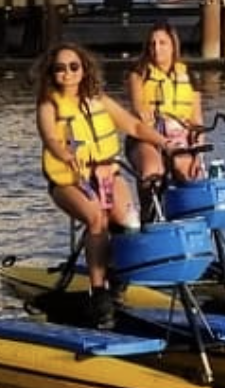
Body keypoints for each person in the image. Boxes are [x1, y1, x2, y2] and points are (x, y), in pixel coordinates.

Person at [37, 42, 178, 327]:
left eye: (74, 67)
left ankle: (117, 284)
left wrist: (165, 143)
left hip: (105, 173)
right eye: (60, 68)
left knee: (129, 224)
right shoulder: (48, 105)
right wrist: (66, 154)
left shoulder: (99, 100)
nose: (68, 73)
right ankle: (98, 292)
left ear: (83, 69)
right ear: (52, 73)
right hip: (69, 178)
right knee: (96, 218)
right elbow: (50, 138)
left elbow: (135, 127)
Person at [127, 21, 205, 190]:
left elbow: (196, 119)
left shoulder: (189, 76)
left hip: (179, 136)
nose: (156, 48)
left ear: (173, 46)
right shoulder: (139, 74)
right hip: (146, 137)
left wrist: (197, 148)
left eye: (162, 43)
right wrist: (146, 115)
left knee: (189, 174)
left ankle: (186, 208)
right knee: (152, 171)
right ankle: (150, 213)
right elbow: (138, 109)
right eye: (152, 44)